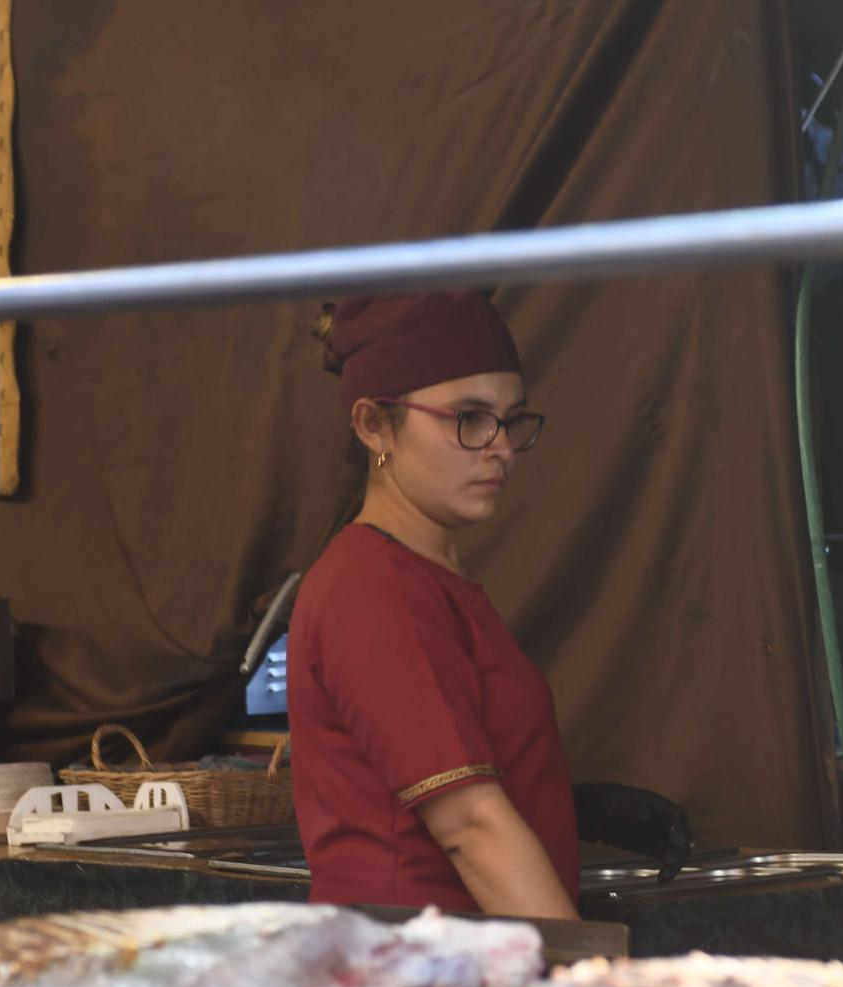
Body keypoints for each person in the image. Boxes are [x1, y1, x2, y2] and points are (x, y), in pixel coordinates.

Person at [287, 291, 688, 920]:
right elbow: (470, 826)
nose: (499, 445)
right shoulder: (374, 587)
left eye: (510, 419)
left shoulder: (429, 578)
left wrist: (571, 805)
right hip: (418, 982)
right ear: (373, 425)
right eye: (468, 418)